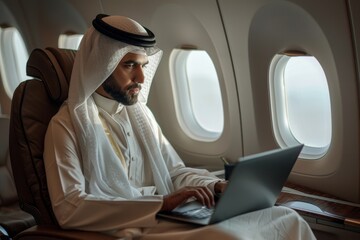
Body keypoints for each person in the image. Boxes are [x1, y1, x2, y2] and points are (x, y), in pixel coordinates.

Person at [43, 14, 316, 239]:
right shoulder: (65, 126)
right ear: (101, 65)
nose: (140, 77)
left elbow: (174, 173)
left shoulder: (140, 116)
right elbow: (70, 207)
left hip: (165, 214)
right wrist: (164, 203)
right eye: (129, 65)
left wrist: (217, 186)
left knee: (284, 217)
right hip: (127, 227)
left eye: (143, 66)